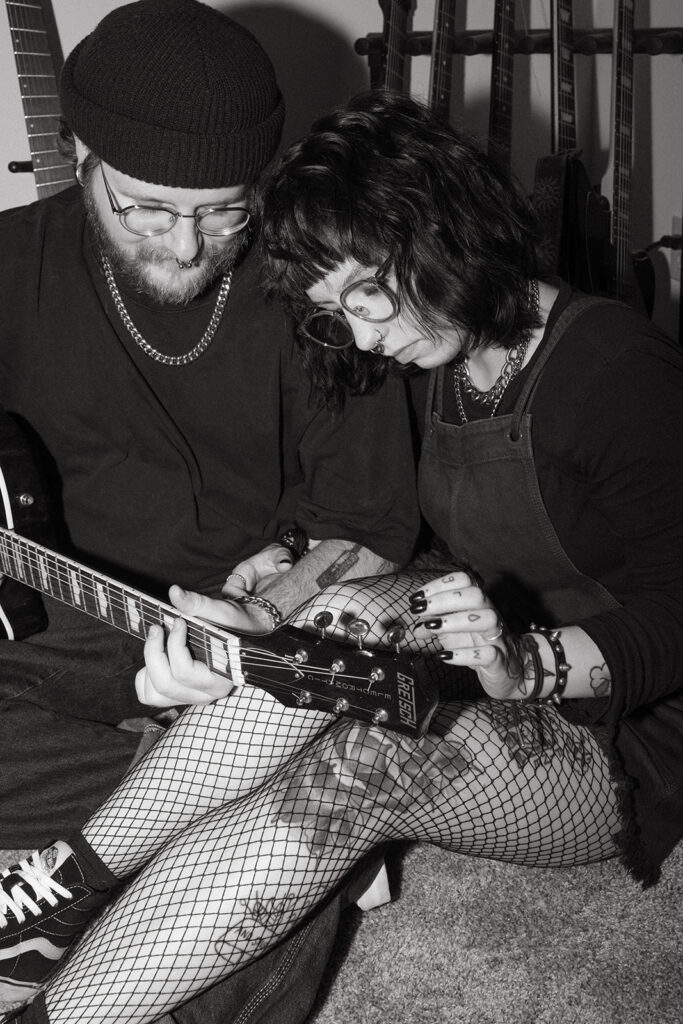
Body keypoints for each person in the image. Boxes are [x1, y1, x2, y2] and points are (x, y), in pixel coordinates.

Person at [3, 88, 682, 1024]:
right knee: (324, 673)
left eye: (366, 296)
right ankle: (53, 937)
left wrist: (525, 664)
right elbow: (390, 541)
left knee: (350, 764)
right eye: (337, 311)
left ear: (441, 229)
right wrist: (281, 573)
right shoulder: (443, 354)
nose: (363, 336)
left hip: (616, 743)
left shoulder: (615, 371)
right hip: (472, 679)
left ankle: (56, 900)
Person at [0, 5, 419, 1020]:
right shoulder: (9, 264)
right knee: (258, 836)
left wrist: (269, 608)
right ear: (77, 154)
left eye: (225, 209)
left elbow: (367, 523)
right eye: (145, 207)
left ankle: (170, 837)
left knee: (279, 841)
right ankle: (163, 832)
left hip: (235, 687)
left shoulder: (320, 287)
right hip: (45, 656)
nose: (187, 243)